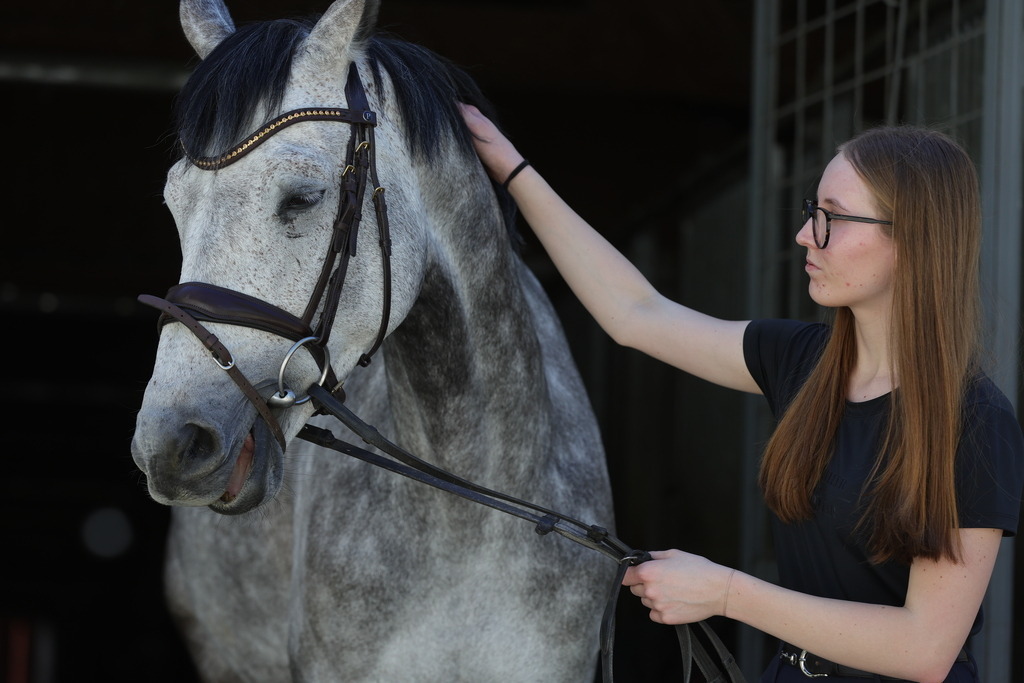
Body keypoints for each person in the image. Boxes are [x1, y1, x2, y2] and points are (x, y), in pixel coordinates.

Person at [459, 103, 1024, 683]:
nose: (805, 235)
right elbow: (634, 313)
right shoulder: (799, 363)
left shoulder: (976, 422)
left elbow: (924, 648)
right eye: (811, 211)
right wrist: (512, 169)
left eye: (833, 217)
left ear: (914, 239)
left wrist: (725, 592)